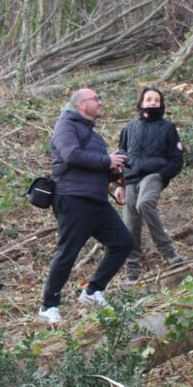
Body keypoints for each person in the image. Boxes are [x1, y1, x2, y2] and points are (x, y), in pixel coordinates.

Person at [38, 88, 134, 325]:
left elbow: (91, 166)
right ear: (81, 105)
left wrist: (113, 172)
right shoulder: (65, 126)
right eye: (96, 99)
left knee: (123, 242)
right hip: (72, 199)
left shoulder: (94, 135)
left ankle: (92, 292)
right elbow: (71, 155)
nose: (100, 103)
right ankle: (48, 306)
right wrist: (106, 160)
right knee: (67, 253)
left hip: (96, 200)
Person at [112, 87, 184, 280]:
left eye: (156, 100)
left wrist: (162, 175)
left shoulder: (168, 128)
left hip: (154, 175)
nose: (152, 103)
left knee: (145, 203)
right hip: (130, 178)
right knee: (130, 222)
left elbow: (177, 160)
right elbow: (120, 157)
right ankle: (133, 268)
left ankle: (168, 252)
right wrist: (119, 184)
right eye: (149, 99)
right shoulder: (129, 128)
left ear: (161, 104)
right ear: (141, 103)